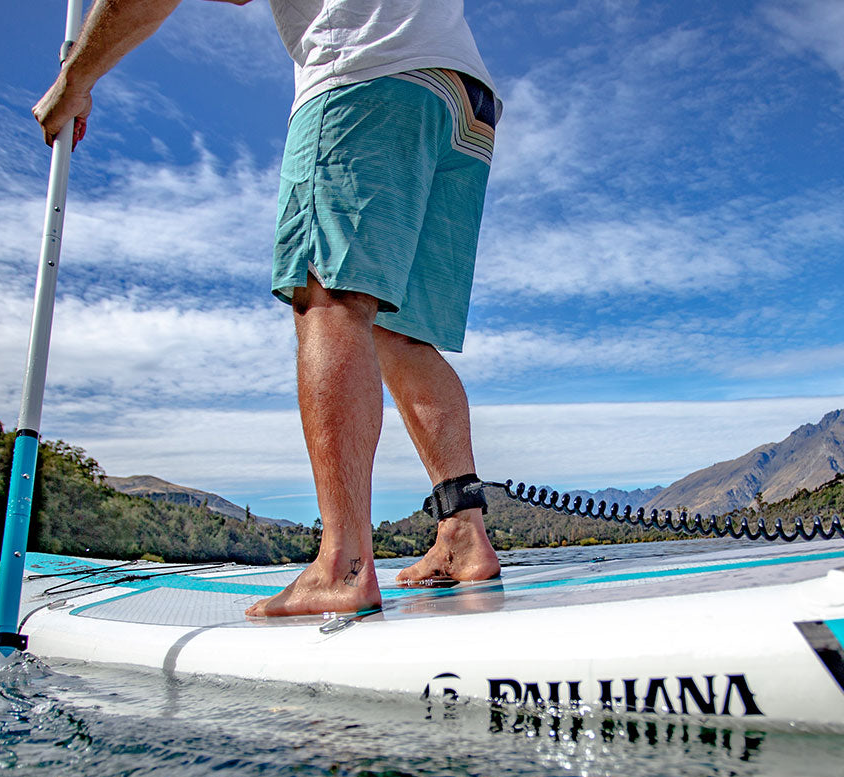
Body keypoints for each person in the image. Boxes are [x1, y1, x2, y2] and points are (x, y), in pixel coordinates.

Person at [33, 0, 503, 617]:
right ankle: (463, 536)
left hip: (365, 68)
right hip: (462, 98)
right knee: (399, 332)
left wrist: (76, 77)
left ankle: (343, 566)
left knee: (328, 298)